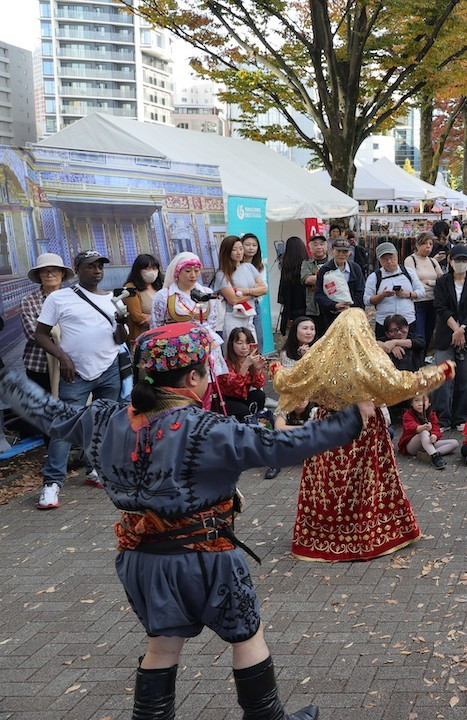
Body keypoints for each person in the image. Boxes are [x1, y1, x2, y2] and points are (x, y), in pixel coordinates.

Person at [0, 322, 377, 720]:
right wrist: (351, 419)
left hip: (140, 561)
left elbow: (49, 412)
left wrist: (6, 380)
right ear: (194, 377)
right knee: (247, 637)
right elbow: (284, 446)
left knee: (162, 645)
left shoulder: (103, 417)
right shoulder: (210, 429)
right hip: (206, 558)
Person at [274, 308, 454, 562]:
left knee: (329, 484)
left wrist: (273, 369)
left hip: (328, 425)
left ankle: (324, 536)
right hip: (363, 428)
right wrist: (440, 372)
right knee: (364, 482)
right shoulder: (368, 359)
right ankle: (367, 535)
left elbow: (289, 380)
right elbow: (399, 385)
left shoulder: (318, 356)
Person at [32, 250, 128, 509]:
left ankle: (95, 469)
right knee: (64, 428)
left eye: (100, 266)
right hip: (75, 373)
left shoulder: (113, 299)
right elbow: (40, 335)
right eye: (90, 266)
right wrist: (63, 358)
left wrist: (122, 322)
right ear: (77, 269)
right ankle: (52, 484)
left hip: (108, 370)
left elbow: (120, 339)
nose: (97, 270)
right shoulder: (60, 298)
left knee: (103, 424)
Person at [432, 244, 467, 429]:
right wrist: (456, 329)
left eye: (464, 260)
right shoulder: (442, 282)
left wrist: (462, 329)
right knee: (444, 377)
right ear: (450, 261)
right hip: (446, 333)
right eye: (457, 260)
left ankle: (460, 418)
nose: (461, 263)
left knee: (465, 379)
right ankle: (442, 417)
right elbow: (440, 307)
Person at [152, 253, 226, 375]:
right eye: (187, 271)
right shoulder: (164, 295)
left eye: (197, 271)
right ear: (177, 273)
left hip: (203, 348)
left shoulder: (206, 293)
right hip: (175, 349)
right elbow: (156, 326)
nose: (193, 275)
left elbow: (212, 322)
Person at [21, 253, 73, 395]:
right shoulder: (29, 301)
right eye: (45, 271)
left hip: (72, 363)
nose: (50, 274)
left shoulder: (72, 297)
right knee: (44, 408)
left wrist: (50, 330)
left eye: (54, 270)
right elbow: (33, 334)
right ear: (39, 275)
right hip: (40, 364)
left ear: (62, 273)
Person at [363, 242, 425, 338]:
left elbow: (421, 292)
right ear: (379, 261)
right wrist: (382, 296)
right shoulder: (374, 277)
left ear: (397, 256)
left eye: (392, 258)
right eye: (385, 259)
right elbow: (366, 300)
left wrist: (407, 294)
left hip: (408, 321)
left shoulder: (408, 272)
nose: (389, 261)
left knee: (410, 350)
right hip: (385, 324)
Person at [213, 235, 267, 341]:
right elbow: (233, 299)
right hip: (233, 317)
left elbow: (264, 289)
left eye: (241, 249)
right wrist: (254, 293)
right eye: (234, 250)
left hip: (250, 316)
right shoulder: (222, 274)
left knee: (253, 347)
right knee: (234, 349)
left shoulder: (249, 267)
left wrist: (245, 291)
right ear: (227, 252)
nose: (239, 252)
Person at [313, 236, 365, 337]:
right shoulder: (325, 270)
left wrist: (350, 306)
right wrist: (334, 305)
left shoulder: (355, 268)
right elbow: (319, 295)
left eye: (345, 251)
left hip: (353, 316)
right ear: (332, 251)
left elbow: (361, 292)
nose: (341, 254)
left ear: (350, 252)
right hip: (331, 316)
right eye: (338, 251)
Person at [216, 326, 268, 421]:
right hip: (227, 399)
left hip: (243, 397)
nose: (244, 347)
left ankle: (256, 419)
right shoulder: (226, 364)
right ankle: (248, 420)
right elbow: (234, 386)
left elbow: (259, 384)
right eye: (239, 343)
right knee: (243, 410)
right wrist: (245, 366)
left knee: (259, 395)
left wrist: (258, 370)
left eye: (248, 343)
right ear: (232, 344)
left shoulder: (251, 360)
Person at [405, 233, 445, 350]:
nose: (428, 246)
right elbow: (413, 281)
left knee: (429, 333)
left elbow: (442, 281)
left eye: (431, 244)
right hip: (418, 302)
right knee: (419, 334)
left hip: (433, 301)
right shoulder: (410, 260)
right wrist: (431, 282)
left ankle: (424, 358)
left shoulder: (433, 261)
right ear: (417, 245)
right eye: (425, 243)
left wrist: (429, 282)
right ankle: (418, 361)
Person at [398, 394, 459, 470]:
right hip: (412, 446)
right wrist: (423, 427)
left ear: (429, 403)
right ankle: (435, 456)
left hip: (428, 444)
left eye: (423, 401)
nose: (420, 404)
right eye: (416, 401)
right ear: (411, 403)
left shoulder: (431, 414)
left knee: (454, 443)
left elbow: (436, 428)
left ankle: (428, 455)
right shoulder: (408, 415)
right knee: (424, 432)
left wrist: (434, 436)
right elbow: (411, 427)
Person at [122, 253, 162, 344]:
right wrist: (158, 319)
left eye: (154, 268)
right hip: (142, 339)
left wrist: (152, 318)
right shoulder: (130, 288)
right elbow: (137, 316)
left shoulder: (160, 287)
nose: (151, 271)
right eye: (147, 268)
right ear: (138, 270)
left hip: (162, 337)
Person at [276, 236, 310, 334]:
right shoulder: (308, 264)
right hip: (306, 306)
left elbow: (282, 289)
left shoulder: (286, 266)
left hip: (292, 307)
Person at [300, 235, 328, 327]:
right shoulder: (307, 263)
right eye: (315, 244)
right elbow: (307, 280)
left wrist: (316, 277)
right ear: (310, 248)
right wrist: (329, 277)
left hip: (332, 304)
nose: (319, 247)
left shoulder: (333, 261)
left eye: (321, 244)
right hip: (314, 306)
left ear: (326, 246)